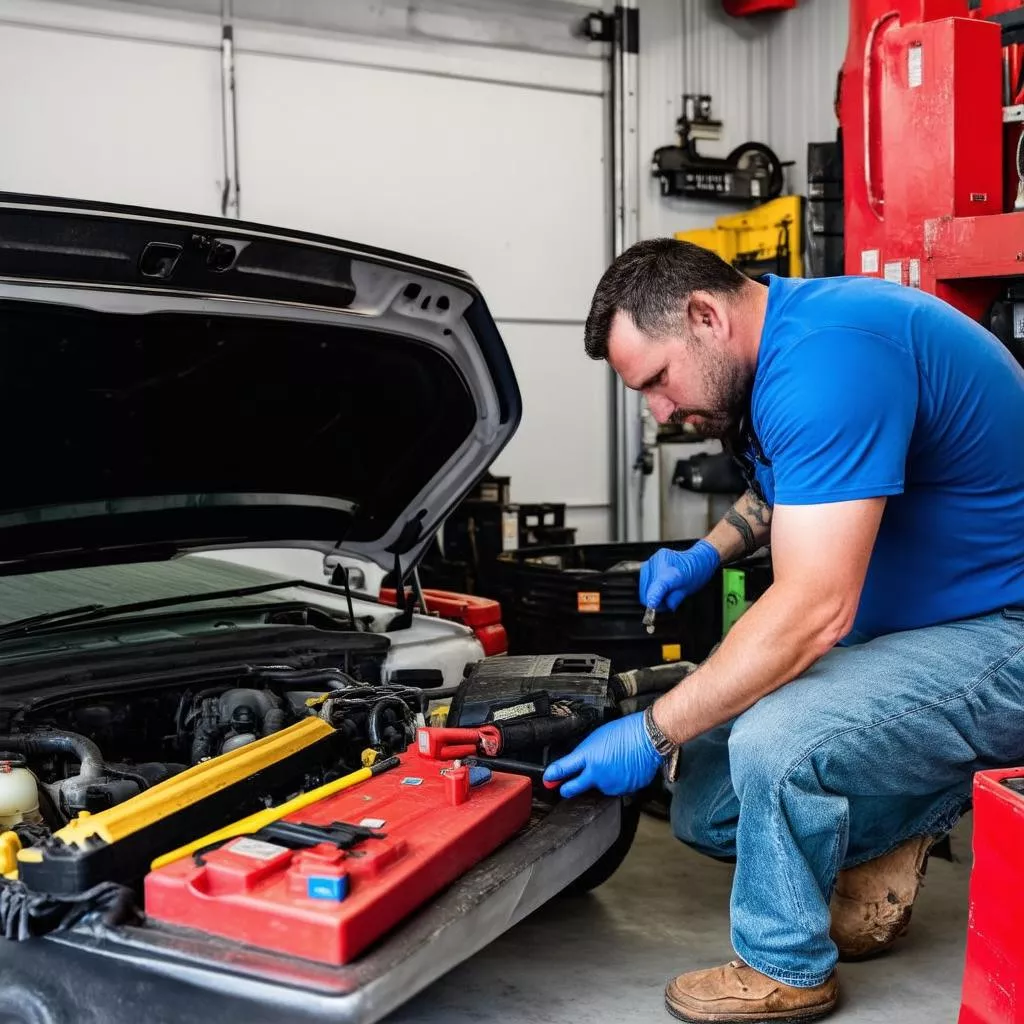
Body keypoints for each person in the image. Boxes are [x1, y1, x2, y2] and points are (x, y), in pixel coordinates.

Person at [543, 238, 1024, 1024]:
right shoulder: (773, 357)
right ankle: (899, 824)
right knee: (706, 796)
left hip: (1004, 637)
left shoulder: (833, 360)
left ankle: (786, 970)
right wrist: (709, 551)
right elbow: (787, 488)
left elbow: (812, 613)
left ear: (705, 315)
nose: (660, 413)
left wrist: (655, 729)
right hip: (920, 638)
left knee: (776, 741)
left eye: (658, 381)